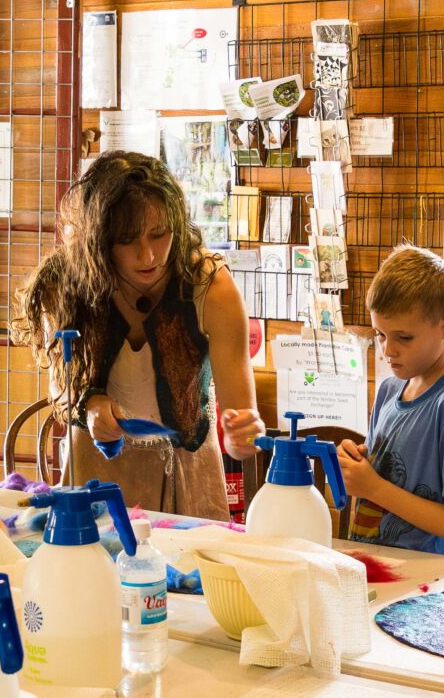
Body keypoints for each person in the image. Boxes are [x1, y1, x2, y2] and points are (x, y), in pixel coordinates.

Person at [15, 152, 262, 519]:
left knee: (188, 572)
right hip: (95, 468)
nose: (148, 256)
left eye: (159, 235)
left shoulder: (209, 286)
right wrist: (88, 405)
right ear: (98, 240)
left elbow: (242, 417)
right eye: (128, 240)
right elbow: (59, 385)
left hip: (186, 469)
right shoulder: (67, 282)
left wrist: (243, 436)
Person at [336, 245, 444, 558]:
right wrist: (356, 462)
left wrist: (374, 488)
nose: (388, 350)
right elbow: (382, 477)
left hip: (427, 584)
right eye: (380, 334)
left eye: (403, 337)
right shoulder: (388, 390)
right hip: (376, 566)